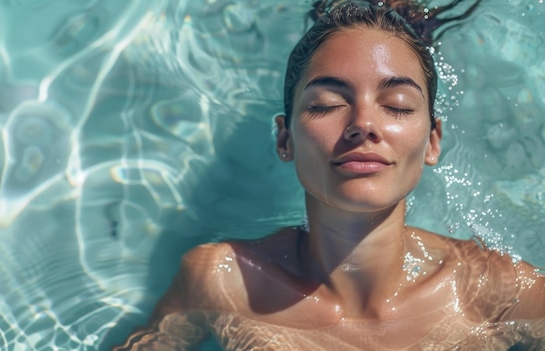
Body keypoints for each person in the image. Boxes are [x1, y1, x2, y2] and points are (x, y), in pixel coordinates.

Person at [114, 1, 545, 349]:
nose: (364, 123)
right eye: (325, 104)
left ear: (433, 141)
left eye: (396, 105)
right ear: (284, 140)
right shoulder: (223, 281)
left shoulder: (500, 293)